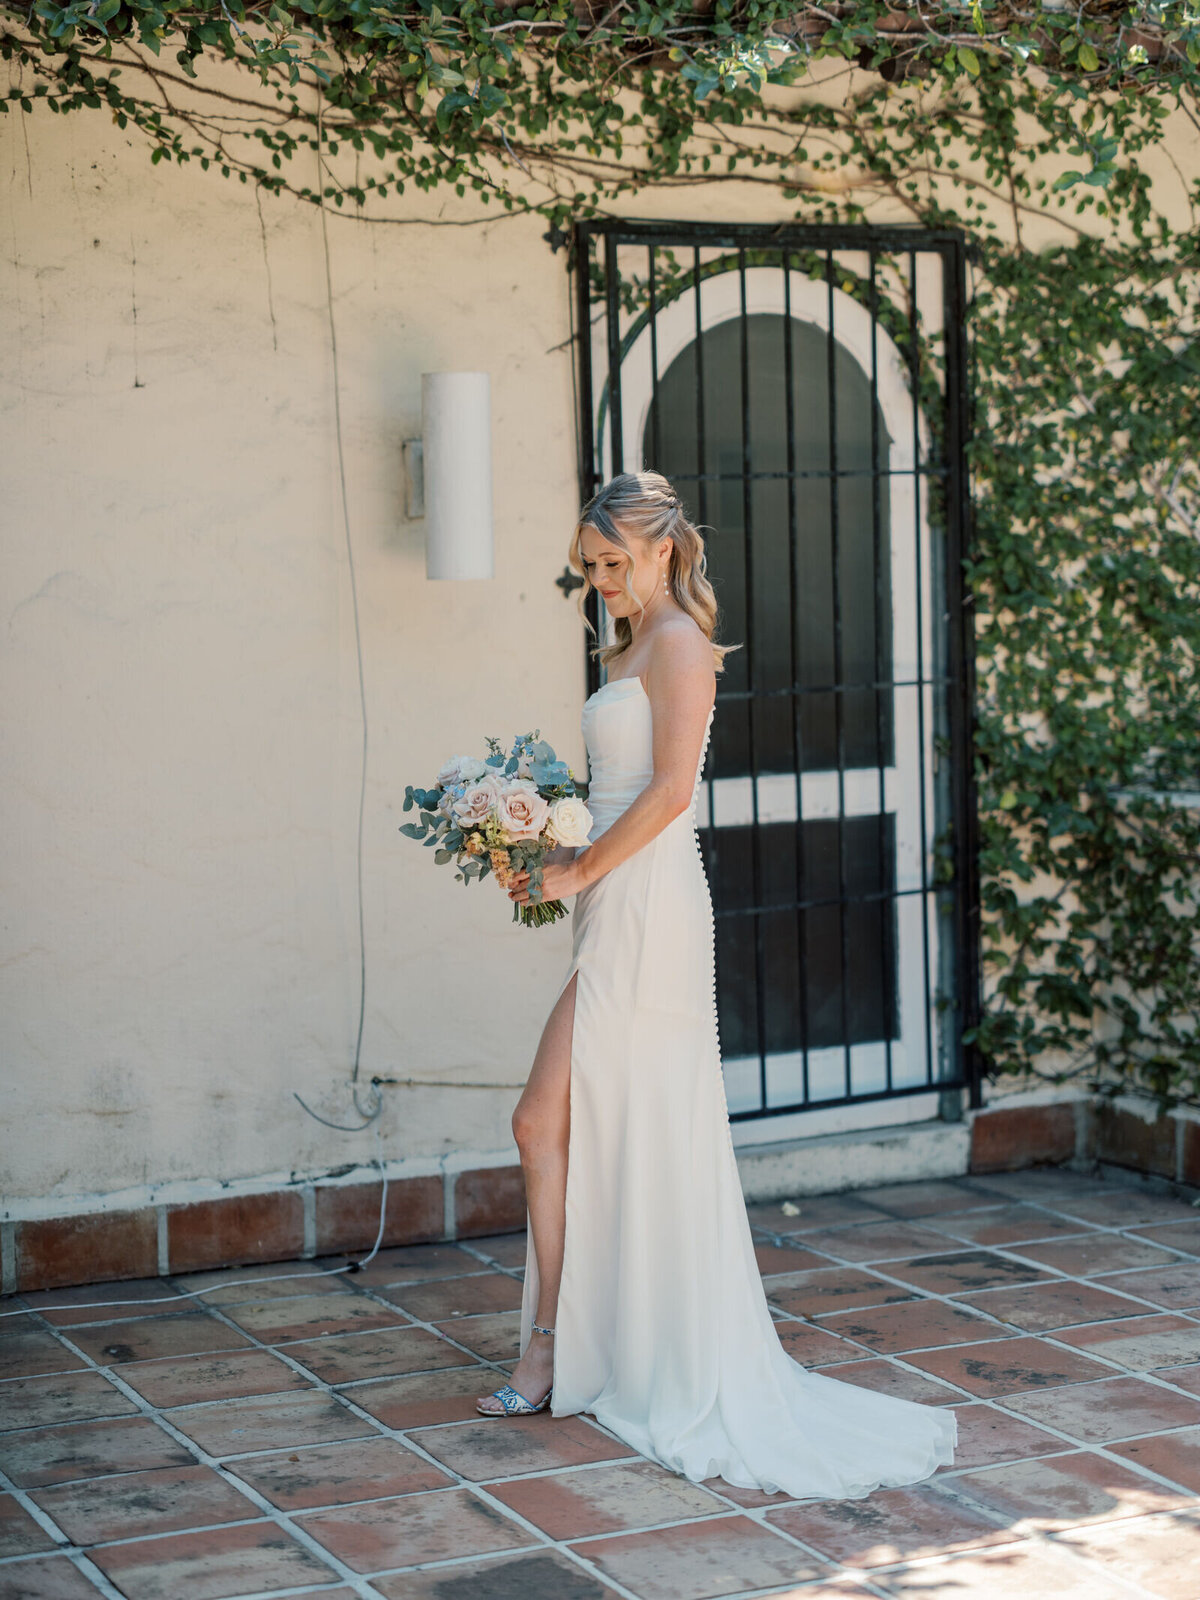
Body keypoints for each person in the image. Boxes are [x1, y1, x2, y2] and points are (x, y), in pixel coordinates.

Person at [475, 470, 957, 1500]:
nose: (599, 581)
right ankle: (572, 1344)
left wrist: (577, 867)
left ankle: (567, 1348)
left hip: (648, 911)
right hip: (611, 901)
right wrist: (537, 837)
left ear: (659, 549)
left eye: (612, 563)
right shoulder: (627, 644)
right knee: (553, 1125)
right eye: (589, 567)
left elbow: (673, 792)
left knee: (547, 1119)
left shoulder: (682, 644)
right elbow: (611, 785)